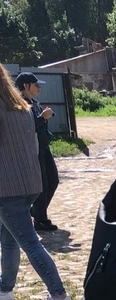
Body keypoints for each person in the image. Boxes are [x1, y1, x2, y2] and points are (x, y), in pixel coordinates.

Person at [0, 68, 73, 300]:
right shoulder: (21, 106)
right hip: (30, 183)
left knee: (30, 243)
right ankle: (5, 289)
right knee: (8, 239)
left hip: (7, 188)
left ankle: (58, 293)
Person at [15, 72, 59, 232]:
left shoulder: (34, 102)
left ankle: (36, 212)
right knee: (42, 185)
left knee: (53, 180)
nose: (39, 87)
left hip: (43, 147)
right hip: (32, 150)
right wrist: (42, 118)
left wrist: (44, 117)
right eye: (36, 84)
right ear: (26, 86)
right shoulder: (19, 105)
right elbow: (25, 128)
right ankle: (40, 220)